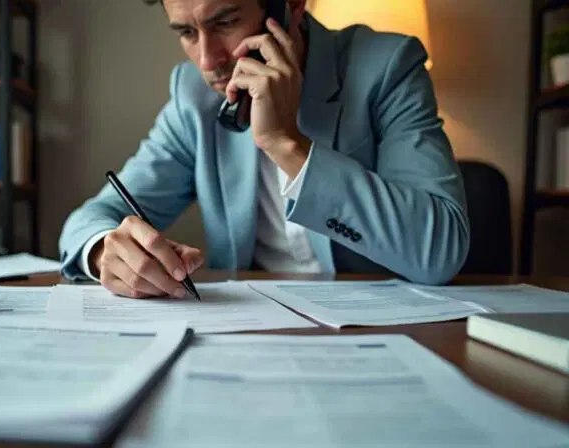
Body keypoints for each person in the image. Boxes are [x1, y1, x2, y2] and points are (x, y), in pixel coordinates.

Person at [58, 0, 470, 298]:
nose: (207, 60)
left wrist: (286, 144)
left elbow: (439, 251)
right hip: (247, 331)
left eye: (225, 21)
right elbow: (91, 218)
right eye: (186, 32)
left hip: (375, 329)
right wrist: (103, 251)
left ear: (289, 6)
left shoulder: (388, 67)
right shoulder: (194, 98)